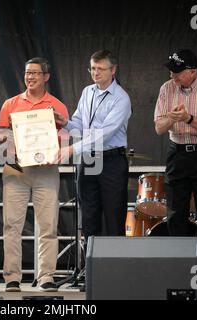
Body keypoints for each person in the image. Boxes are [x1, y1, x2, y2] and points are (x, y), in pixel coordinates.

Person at [0, 57, 68, 292]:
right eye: (27, 73)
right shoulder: (11, 104)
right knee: (11, 225)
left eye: (35, 73)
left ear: (46, 77)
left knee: (48, 226)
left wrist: (60, 128)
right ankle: (12, 278)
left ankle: (46, 276)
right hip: (16, 170)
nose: (30, 77)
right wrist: (10, 139)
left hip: (46, 170)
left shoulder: (57, 107)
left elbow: (67, 139)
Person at [154, 49, 197, 285]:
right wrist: (173, 119)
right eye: (171, 71)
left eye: (177, 72)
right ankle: (180, 273)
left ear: (192, 72)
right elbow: (159, 128)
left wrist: (189, 118)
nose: (173, 76)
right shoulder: (166, 88)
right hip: (178, 154)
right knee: (176, 215)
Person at [54, 50, 132, 243]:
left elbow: (104, 134)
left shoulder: (121, 98)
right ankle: (90, 268)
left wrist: (72, 149)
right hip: (89, 159)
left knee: (114, 217)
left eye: (100, 69)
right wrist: (65, 122)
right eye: (93, 68)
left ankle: (115, 269)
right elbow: (80, 125)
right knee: (88, 215)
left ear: (113, 70)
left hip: (111, 160)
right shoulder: (87, 91)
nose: (95, 73)